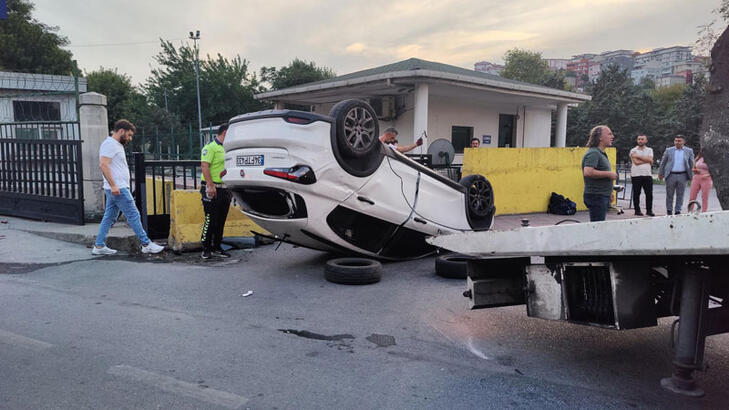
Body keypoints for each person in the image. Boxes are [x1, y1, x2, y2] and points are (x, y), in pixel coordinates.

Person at [92, 120, 164, 255]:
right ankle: (146, 244)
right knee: (133, 214)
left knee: (109, 217)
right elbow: (103, 164)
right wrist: (113, 185)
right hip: (118, 188)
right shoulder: (110, 144)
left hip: (117, 187)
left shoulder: (115, 145)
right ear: (121, 131)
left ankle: (99, 246)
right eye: (129, 135)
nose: (130, 138)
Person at [200, 123, 232, 259]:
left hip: (225, 189)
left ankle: (217, 247)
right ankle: (206, 248)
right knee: (210, 219)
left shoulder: (228, 148)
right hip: (212, 188)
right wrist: (210, 185)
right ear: (224, 133)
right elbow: (204, 166)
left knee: (221, 220)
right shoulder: (210, 147)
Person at [581, 125, 617, 222]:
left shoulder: (600, 153)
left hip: (601, 195)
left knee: (599, 224)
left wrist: (609, 193)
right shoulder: (594, 153)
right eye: (609, 134)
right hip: (596, 196)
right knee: (597, 226)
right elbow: (588, 172)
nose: (612, 136)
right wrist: (609, 174)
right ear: (600, 137)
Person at [658, 135, 694, 215]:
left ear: (683, 142)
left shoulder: (689, 151)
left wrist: (692, 175)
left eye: (679, 141)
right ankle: (669, 210)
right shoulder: (669, 150)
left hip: (683, 175)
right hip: (671, 175)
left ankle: (678, 210)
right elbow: (663, 162)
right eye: (676, 141)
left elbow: (692, 164)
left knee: (680, 194)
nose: (677, 142)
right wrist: (660, 173)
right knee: (669, 194)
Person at [629, 134, 654, 216]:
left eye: (642, 139)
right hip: (636, 175)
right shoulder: (633, 150)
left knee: (649, 194)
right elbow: (636, 162)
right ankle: (637, 210)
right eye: (639, 139)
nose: (640, 141)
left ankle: (649, 210)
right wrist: (647, 160)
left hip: (647, 174)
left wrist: (638, 156)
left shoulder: (649, 150)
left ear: (646, 140)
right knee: (636, 193)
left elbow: (651, 160)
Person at [689, 148, 712, 213]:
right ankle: (690, 211)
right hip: (696, 178)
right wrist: (694, 170)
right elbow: (694, 166)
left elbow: (715, 171)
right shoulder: (699, 158)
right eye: (702, 151)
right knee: (692, 196)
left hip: (706, 179)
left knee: (704, 197)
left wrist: (708, 174)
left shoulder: (711, 159)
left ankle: (704, 212)